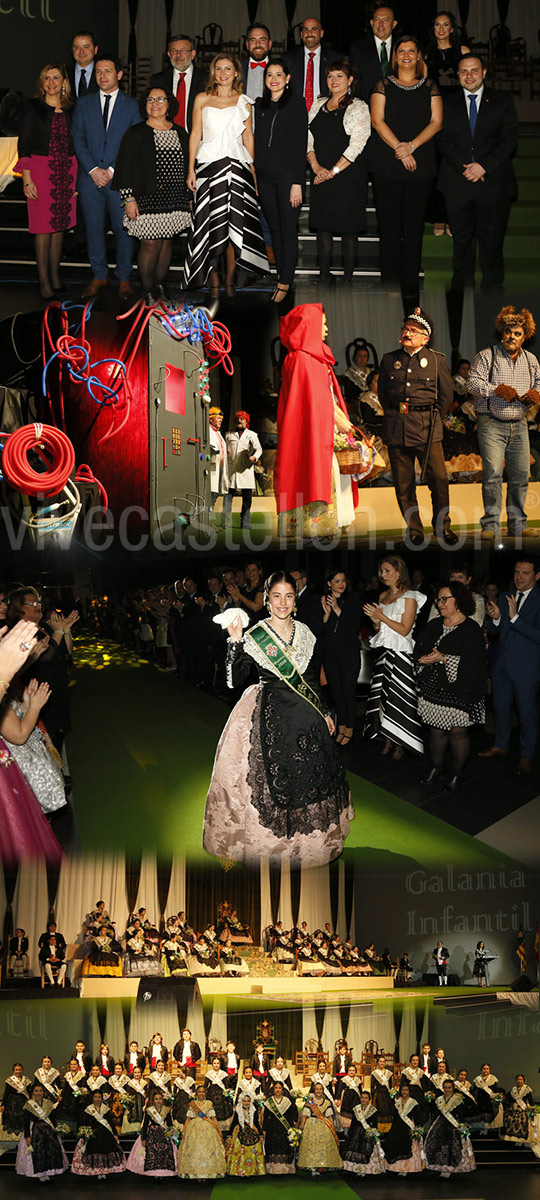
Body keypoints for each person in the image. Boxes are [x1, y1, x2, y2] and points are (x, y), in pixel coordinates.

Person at [203, 570, 353, 866]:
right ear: (267, 600)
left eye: (289, 596)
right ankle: (278, 847)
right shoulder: (256, 635)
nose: (283, 602)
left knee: (309, 780)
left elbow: (310, 679)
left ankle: (310, 845)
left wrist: (324, 711)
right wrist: (234, 642)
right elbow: (234, 681)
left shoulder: (307, 633)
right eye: (276, 596)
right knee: (274, 783)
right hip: (270, 716)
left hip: (306, 717)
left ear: (295, 600)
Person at [274, 304, 373, 539]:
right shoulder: (300, 359)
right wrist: (337, 420)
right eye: (323, 324)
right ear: (310, 326)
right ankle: (318, 526)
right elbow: (311, 403)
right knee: (318, 472)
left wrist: (340, 419)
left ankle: (332, 524)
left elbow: (324, 398)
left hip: (324, 426)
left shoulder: (315, 359)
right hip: (314, 430)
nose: (327, 329)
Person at [183, 52, 267, 297]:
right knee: (210, 225)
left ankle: (230, 281)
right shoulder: (201, 98)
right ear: (213, 73)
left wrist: (252, 170)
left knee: (234, 227)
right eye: (218, 69)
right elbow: (195, 134)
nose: (222, 73)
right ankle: (213, 281)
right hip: (208, 167)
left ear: (236, 73)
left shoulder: (244, 101)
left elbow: (248, 137)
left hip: (237, 167)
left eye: (227, 69)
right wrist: (190, 169)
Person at [369, 35, 442, 308]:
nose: (407, 55)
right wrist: (400, 150)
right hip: (386, 165)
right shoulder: (383, 84)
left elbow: (436, 122)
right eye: (402, 51)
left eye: (412, 50)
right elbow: (377, 121)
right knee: (388, 228)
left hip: (419, 166)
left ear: (419, 55)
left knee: (413, 230)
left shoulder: (431, 86)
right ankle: (388, 283)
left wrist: (411, 147)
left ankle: (410, 286)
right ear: (395, 56)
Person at [439, 51, 518, 291]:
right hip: (457, 182)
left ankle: (493, 288)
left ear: (484, 73)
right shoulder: (445, 101)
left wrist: (483, 166)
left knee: (492, 241)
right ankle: (461, 289)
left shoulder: (502, 101)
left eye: (474, 70)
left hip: (493, 182)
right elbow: (441, 138)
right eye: (464, 71)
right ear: (458, 75)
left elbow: (509, 140)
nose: (469, 75)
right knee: (461, 241)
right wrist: (466, 165)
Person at [377, 308, 458, 546]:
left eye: (413, 331)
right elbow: (383, 395)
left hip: (427, 430)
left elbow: (446, 397)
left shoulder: (437, 360)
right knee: (403, 485)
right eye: (406, 329)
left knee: (439, 480)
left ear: (426, 337)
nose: (407, 333)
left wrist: (430, 418)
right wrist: (396, 415)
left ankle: (443, 528)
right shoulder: (389, 360)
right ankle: (415, 530)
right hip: (397, 428)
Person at [71, 54, 142, 302]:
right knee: (93, 229)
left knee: (124, 231)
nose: (102, 75)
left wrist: (111, 170)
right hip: (89, 179)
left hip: (119, 179)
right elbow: (77, 139)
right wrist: (92, 169)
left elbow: (134, 143)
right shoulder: (83, 103)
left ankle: (124, 277)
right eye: (98, 71)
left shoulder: (132, 105)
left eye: (108, 71)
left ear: (119, 75)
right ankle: (99, 274)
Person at [466, 306, 540, 540]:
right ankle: (490, 526)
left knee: (520, 474)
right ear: (502, 332)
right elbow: (471, 384)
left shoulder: (531, 360)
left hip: (519, 424)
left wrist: (535, 394)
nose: (511, 337)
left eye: (517, 334)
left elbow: (539, 383)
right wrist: (495, 390)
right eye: (508, 332)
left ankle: (518, 524)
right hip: (491, 423)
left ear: (524, 337)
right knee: (493, 474)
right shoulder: (486, 355)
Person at [112, 84, 190, 303]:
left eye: (160, 99)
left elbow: (187, 167)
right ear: (145, 105)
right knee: (150, 243)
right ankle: (146, 290)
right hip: (145, 197)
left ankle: (160, 286)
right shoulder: (135, 133)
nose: (155, 104)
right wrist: (128, 198)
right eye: (150, 100)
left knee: (166, 243)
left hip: (174, 198)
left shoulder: (180, 132)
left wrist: (188, 197)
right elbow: (125, 168)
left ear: (169, 105)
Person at [414, 580, 488, 790]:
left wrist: (443, 659)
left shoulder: (471, 629)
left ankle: (457, 774)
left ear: (459, 601)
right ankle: (436, 767)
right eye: (439, 599)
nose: (440, 603)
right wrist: (424, 659)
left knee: (457, 733)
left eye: (445, 599)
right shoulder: (434, 624)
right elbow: (419, 648)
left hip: (461, 690)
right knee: (436, 730)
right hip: (434, 687)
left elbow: (474, 665)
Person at [15, 62, 77, 300]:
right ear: (42, 83)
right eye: (47, 78)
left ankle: (55, 276)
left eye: (56, 78)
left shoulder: (72, 108)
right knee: (43, 229)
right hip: (40, 172)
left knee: (59, 227)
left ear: (64, 82)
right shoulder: (32, 107)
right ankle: (43, 281)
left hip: (67, 171)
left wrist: (76, 180)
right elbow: (25, 142)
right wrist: (27, 179)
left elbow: (77, 143)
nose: (51, 82)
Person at [307, 59, 370, 286]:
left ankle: (347, 280)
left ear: (350, 80)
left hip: (348, 176)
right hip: (320, 173)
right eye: (330, 76)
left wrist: (333, 171)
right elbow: (308, 137)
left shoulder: (359, 107)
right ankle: (324, 277)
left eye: (339, 76)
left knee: (348, 229)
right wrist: (316, 167)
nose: (334, 80)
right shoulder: (318, 103)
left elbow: (357, 145)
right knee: (323, 226)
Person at [253, 59, 307, 302]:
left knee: (288, 231)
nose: (273, 79)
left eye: (278, 74)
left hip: (288, 178)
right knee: (274, 230)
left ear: (287, 79)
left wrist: (297, 181)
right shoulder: (260, 105)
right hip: (264, 177)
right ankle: (280, 275)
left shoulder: (296, 104)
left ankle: (286, 281)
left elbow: (299, 144)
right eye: (269, 75)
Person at [363, 555, 426, 758]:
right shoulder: (382, 596)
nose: (383, 575)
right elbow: (380, 628)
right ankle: (388, 739)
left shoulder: (410, 596)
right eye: (382, 571)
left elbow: (405, 629)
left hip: (400, 653)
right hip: (383, 651)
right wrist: (375, 621)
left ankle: (402, 742)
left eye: (387, 570)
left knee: (401, 699)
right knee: (384, 698)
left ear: (399, 572)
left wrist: (381, 617)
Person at [482, 557, 540, 775]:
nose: (519, 577)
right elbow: (497, 633)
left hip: (527, 668)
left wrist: (515, 618)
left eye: (525, 573)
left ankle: (527, 755)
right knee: (501, 709)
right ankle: (501, 744)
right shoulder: (507, 595)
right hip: (502, 665)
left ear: (537, 576)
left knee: (527, 714)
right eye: (517, 572)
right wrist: (497, 619)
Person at [0, 677, 66, 818]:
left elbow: (14, 720)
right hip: (15, 768)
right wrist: (35, 707)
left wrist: (28, 705)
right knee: (26, 817)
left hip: (24, 759)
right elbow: (19, 735)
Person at [314, 567, 363, 746]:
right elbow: (321, 630)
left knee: (348, 692)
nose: (341, 584)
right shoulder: (323, 601)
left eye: (343, 580)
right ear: (329, 583)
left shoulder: (353, 599)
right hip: (330, 653)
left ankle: (350, 727)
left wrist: (336, 608)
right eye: (337, 581)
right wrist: (327, 614)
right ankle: (341, 725)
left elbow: (352, 626)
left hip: (348, 653)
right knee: (336, 693)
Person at [150, 34, 207, 133]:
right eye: (174, 51)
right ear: (169, 54)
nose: (178, 55)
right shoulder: (158, 80)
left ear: (193, 54)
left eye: (183, 50)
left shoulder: (207, 80)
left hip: (199, 138)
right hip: (166, 137)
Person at [15, 1082, 68, 1182]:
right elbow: (25, 1122)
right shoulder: (29, 1105)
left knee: (50, 1152)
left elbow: (52, 1119)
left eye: (40, 1091)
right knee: (39, 1152)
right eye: (36, 1091)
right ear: (33, 1093)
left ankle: (47, 1173)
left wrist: (57, 1130)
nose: (38, 1093)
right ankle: (40, 1174)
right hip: (35, 1130)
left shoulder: (48, 1103)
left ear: (43, 1092)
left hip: (48, 1131)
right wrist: (27, 1136)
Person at [424, 1079, 475, 1178]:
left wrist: (462, 1125)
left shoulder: (458, 1099)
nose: (447, 1090)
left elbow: (461, 1114)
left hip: (453, 1126)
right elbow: (436, 1113)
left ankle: (449, 1169)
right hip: (440, 1124)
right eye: (445, 1087)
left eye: (449, 1087)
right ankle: (442, 1168)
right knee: (439, 1147)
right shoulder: (439, 1099)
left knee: (452, 1147)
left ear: (453, 1088)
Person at [71, 1089, 126, 1178]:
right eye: (95, 1097)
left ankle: (103, 1171)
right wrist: (83, 1133)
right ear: (92, 1098)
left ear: (102, 1098)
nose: (97, 1099)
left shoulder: (106, 1109)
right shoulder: (89, 1109)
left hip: (106, 1133)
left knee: (106, 1152)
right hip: (93, 1134)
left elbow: (111, 1122)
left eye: (99, 1097)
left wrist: (115, 1134)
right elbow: (84, 1122)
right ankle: (97, 1171)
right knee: (95, 1152)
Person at [177, 1084, 227, 1180]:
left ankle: (207, 1173)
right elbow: (188, 1119)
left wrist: (219, 1131)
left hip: (208, 1128)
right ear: (196, 1093)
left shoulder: (209, 1103)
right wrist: (184, 1132)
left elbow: (214, 1118)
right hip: (193, 1129)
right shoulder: (192, 1104)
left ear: (205, 1093)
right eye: (199, 1092)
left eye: (203, 1092)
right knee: (194, 1150)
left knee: (208, 1150)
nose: (201, 1094)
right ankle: (196, 1173)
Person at [222, 411, 262, 529]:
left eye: (242, 419)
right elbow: (224, 449)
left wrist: (254, 457)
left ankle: (245, 523)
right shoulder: (229, 435)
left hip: (245, 471)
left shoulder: (252, 435)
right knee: (228, 498)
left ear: (246, 421)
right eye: (238, 419)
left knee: (247, 500)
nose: (240, 421)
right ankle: (225, 522)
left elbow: (259, 449)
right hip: (231, 471)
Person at [350, 4, 398, 102]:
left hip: (398, 105)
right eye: (377, 20)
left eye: (386, 20)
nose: (380, 24)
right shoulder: (358, 48)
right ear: (372, 23)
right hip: (367, 106)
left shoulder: (403, 47)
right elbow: (354, 81)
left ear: (394, 24)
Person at [126, 1090, 177, 1178]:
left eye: (160, 1099)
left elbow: (169, 1123)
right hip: (152, 1133)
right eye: (156, 1099)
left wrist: (172, 1133)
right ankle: (154, 1173)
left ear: (163, 1100)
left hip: (164, 1133)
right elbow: (145, 1125)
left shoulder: (167, 1110)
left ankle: (162, 1172)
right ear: (153, 1100)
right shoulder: (149, 1110)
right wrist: (144, 1138)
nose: (158, 1101)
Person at [285, 17, 335, 108]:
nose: (309, 33)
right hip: (296, 111)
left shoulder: (334, 59)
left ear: (321, 33)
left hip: (326, 111)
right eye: (305, 30)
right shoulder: (288, 59)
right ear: (301, 34)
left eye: (314, 29)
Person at [297, 1081, 342, 1173]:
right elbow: (305, 1116)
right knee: (311, 1146)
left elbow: (330, 1117)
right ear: (314, 1090)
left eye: (320, 1089)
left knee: (323, 1146)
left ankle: (323, 1165)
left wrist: (333, 1130)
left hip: (324, 1126)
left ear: (323, 1090)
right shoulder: (309, 1102)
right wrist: (300, 1129)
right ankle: (312, 1166)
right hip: (311, 1126)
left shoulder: (327, 1103)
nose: (318, 1091)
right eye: (316, 1089)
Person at [342, 1089, 386, 1175]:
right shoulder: (356, 1109)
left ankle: (364, 1171)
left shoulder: (373, 1110)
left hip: (366, 1133)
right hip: (356, 1132)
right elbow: (353, 1123)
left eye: (366, 1098)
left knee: (365, 1150)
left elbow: (375, 1124)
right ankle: (354, 1169)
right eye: (362, 1098)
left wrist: (373, 1133)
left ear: (369, 1099)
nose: (364, 1099)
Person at [383, 1082, 423, 1175]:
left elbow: (417, 1117)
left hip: (408, 1127)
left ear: (409, 1092)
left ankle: (406, 1169)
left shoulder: (413, 1102)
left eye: (406, 1090)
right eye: (403, 1090)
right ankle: (397, 1168)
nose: (404, 1092)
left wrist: (417, 1128)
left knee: (406, 1144)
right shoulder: (398, 1102)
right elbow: (395, 1116)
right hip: (397, 1126)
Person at [261, 1080, 297, 1174]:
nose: (277, 1090)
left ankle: (284, 1169)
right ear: (273, 1090)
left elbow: (290, 1116)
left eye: (279, 1088)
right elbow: (265, 1117)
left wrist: (291, 1128)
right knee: (272, 1146)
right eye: (276, 1088)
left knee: (283, 1146)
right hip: (271, 1128)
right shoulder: (269, 1102)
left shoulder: (287, 1101)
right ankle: (272, 1170)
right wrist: (264, 1129)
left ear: (282, 1090)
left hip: (284, 1128)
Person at [226, 1093, 266, 1176]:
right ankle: (240, 1172)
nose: (246, 1103)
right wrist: (230, 1135)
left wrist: (261, 1135)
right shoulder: (238, 1110)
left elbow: (257, 1123)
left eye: (248, 1101)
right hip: (240, 1133)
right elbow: (234, 1123)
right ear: (241, 1101)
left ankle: (252, 1171)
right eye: (244, 1101)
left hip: (252, 1134)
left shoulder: (254, 1111)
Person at [1, 1064, 31, 1140]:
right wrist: (3, 1104)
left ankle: (23, 1137)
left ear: (22, 1070)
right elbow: (6, 1093)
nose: (18, 1071)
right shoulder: (10, 1080)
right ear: (14, 1070)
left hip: (23, 1101)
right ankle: (13, 1138)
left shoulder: (26, 1080)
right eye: (16, 1070)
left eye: (19, 1070)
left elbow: (29, 1092)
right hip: (12, 1102)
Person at [242, 23, 273, 98]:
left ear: (269, 44)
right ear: (247, 45)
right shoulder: (237, 68)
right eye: (253, 40)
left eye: (262, 40)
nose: (257, 44)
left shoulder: (281, 68)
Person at [502, 1074, 534, 1145]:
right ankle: (514, 1138)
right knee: (509, 1119)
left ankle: (521, 1139)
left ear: (524, 1081)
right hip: (513, 1109)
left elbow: (530, 1100)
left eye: (521, 1079)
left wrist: (532, 1108)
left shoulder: (527, 1089)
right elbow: (508, 1098)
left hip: (522, 1109)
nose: (519, 1081)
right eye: (518, 1079)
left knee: (521, 1121)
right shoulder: (513, 1090)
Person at [67, 30, 99, 101]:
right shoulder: (64, 73)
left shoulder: (103, 73)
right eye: (77, 47)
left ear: (95, 50)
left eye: (86, 47)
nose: (81, 51)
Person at [204, 1057, 234, 1133]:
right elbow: (205, 1086)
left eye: (218, 1063)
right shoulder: (209, 1073)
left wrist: (228, 1094)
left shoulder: (223, 1074)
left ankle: (220, 1129)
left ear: (220, 1064)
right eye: (214, 1063)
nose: (216, 1065)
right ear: (212, 1064)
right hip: (211, 1093)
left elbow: (226, 1086)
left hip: (221, 1094)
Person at [370, 1055, 394, 1125]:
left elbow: (391, 1086)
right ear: (377, 1063)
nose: (382, 1063)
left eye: (383, 1061)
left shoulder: (389, 1073)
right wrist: (372, 1096)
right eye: (380, 1061)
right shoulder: (374, 1073)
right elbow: (372, 1086)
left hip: (387, 1094)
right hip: (378, 1094)